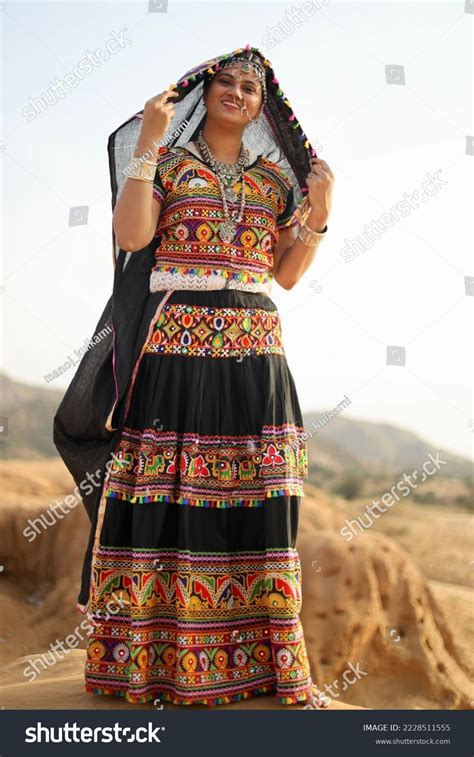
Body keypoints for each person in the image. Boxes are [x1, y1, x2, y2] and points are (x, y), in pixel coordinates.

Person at [54, 44, 334, 708]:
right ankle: (150, 670)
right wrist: (150, 141)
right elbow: (131, 237)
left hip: (257, 352)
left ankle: (271, 671)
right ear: (204, 94)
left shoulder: (274, 181)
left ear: (265, 106)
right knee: (167, 500)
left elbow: (286, 275)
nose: (238, 92)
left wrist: (319, 211)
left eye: (251, 87)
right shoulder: (171, 164)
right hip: (175, 352)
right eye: (226, 82)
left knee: (262, 503)